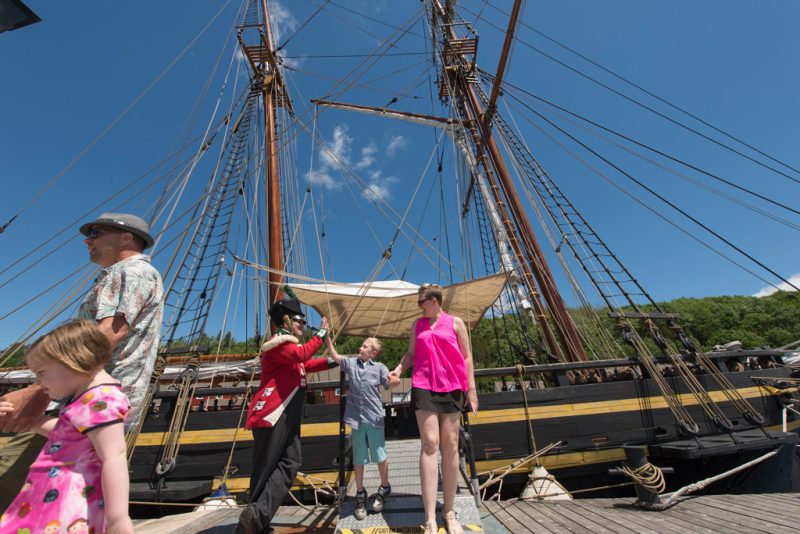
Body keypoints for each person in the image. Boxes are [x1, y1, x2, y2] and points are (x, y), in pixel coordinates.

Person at [0, 212, 164, 512]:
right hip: (87, 404)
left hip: (87, 405)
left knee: (14, 483)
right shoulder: (125, 275)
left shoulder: (131, 272)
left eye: (97, 233)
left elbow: (110, 333)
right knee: (64, 499)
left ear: (127, 238)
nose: (88, 240)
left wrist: (38, 391)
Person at [0, 320, 133, 534]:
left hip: (69, 504)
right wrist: (32, 421)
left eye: (41, 373)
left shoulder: (102, 399)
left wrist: (118, 520)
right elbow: (68, 434)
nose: (39, 382)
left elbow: (114, 457)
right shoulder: (88, 397)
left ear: (73, 361)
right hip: (53, 498)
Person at [235, 296, 334, 534]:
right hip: (272, 413)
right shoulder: (279, 343)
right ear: (287, 321)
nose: (302, 326)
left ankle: (257, 516)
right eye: (299, 322)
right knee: (266, 467)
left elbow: (304, 365)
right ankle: (254, 520)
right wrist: (321, 334)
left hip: (285, 414)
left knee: (289, 463)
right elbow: (300, 357)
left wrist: (334, 361)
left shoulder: (289, 347)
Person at [389, 283, 478, 534]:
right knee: (429, 443)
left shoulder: (456, 323)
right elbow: (410, 355)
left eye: (421, 301)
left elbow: (467, 356)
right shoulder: (417, 326)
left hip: (452, 387)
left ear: (434, 300)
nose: (419, 306)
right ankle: (429, 517)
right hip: (424, 385)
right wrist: (398, 369)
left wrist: (471, 390)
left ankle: (449, 512)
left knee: (450, 444)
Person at [326, 335, 399, 520]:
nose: (361, 348)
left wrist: (394, 382)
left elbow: (389, 384)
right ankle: (360, 495)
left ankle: (384, 487)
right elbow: (335, 356)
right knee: (358, 459)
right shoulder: (351, 364)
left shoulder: (380, 368)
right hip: (356, 419)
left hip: (374, 418)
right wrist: (327, 337)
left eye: (364, 346)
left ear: (373, 353)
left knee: (380, 456)